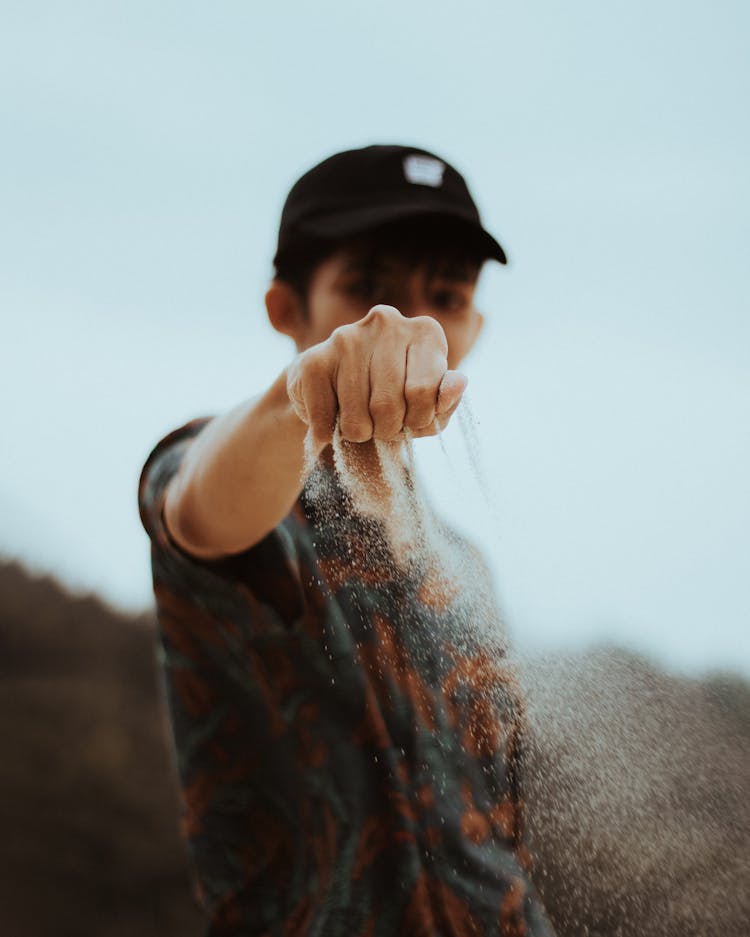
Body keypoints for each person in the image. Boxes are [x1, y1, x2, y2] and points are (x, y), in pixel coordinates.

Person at [138, 144, 556, 936]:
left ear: (475, 325)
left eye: (447, 294)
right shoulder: (243, 485)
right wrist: (301, 397)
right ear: (286, 309)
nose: (403, 324)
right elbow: (193, 504)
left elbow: (498, 827)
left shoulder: (465, 566)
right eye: (365, 287)